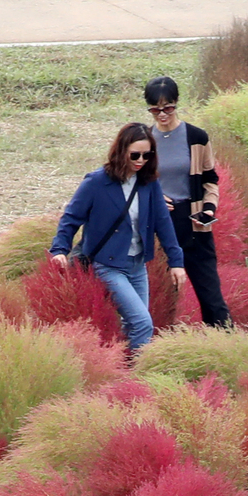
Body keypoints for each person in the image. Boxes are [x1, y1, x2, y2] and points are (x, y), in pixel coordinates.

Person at [50, 124, 186, 354]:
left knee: (134, 325)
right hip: (109, 265)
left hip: (137, 265)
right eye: (135, 154)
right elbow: (71, 218)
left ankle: (121, 372)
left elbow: (163, 223)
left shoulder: (148, 183)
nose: (141, 160)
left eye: (147, 154)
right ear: (121, 151)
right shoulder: (96, 182)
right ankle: (137, 377)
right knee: (143, 324)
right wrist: (59, 250)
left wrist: (176, 262)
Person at [143, 76, 231, 327]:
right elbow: (133, 180)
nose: (162, 114)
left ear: (177, 103)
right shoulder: (144, 139)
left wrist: (209, 207)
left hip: (194, 226)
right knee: (160, 299)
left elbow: (210, 180)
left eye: (168, 108)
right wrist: (154, 197)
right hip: (158, 227)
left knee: (212, 300)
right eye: (155, 109)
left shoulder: (196, 137)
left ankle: (227, 347)